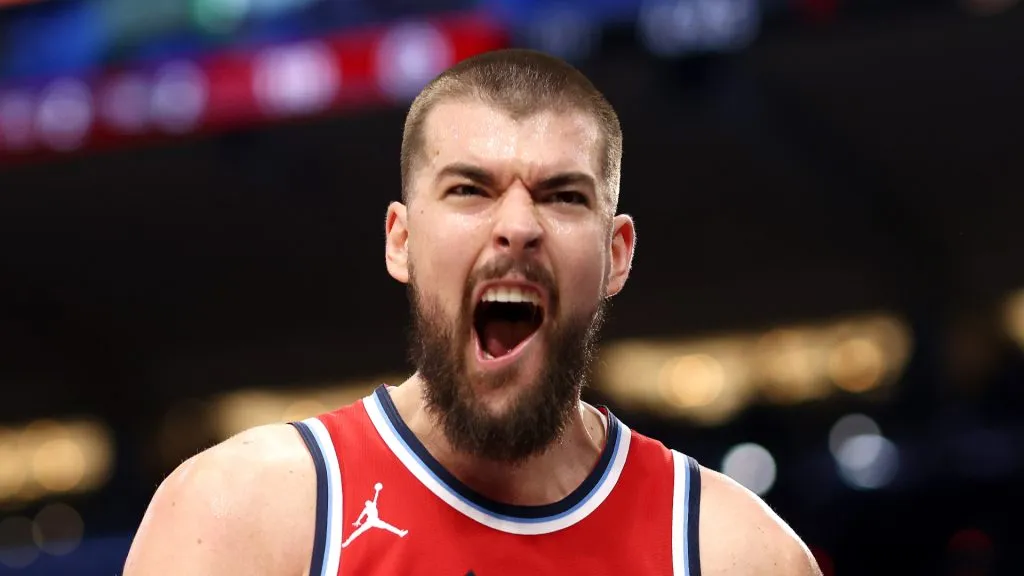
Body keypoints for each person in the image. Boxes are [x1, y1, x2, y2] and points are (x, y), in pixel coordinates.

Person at [124, 48, 822, 576]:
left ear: (617, 254)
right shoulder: (240, 518)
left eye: (563, 196)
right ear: (401, 240)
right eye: (470, 190)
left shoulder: (736, 554)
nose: (518, 225)